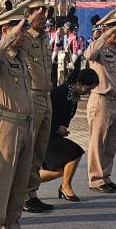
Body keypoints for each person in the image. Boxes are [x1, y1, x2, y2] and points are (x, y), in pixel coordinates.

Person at [0, 1, 38, 229]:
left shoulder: (22, 57)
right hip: (6, 124)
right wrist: (10, 36)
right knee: (2, 182)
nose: (23, 35)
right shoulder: (0, 58)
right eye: (19, 30)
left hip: (25, 124)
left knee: (19, 183)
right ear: (6, 30)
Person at [14, 0, 56, 215]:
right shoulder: (24, 38)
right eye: (38, 14)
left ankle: (32, 192)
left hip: (46, 96)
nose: (43, 18)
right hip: (31, 97)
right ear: (28, 16)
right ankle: (22, 196)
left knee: (39, 149)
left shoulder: (44, 38)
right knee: (28, 150)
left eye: (45, 13)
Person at [85, 9, 116, 192]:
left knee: (111, 143)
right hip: (102, 100)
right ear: (106, 30)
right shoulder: (99, 47)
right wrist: (105, 35)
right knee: (98, 142)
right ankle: (96, 179)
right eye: (115, 31)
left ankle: (106, 176)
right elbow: (88, 55)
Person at [40, 70, 97, 202]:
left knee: (60, 170)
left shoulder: (73, 96)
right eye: (88, 88)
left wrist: (63, 128)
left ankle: (25, 185)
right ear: (79, 83)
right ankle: (65, 186)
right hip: (46, 136)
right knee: (74, 152)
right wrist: (57, 127)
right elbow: (46, 114)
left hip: (54, 135)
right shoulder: (60, 93)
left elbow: (64, 118)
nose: (88, 92)